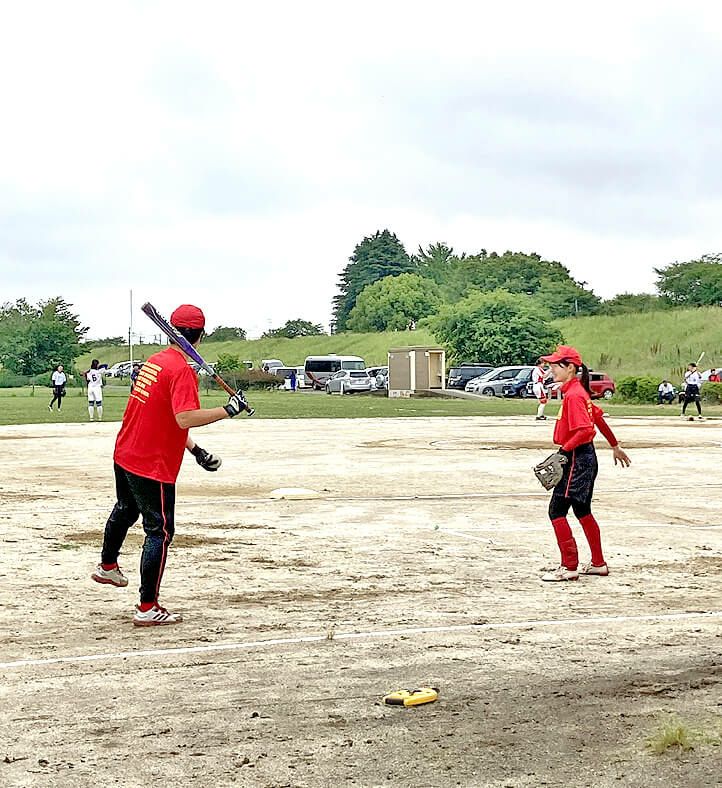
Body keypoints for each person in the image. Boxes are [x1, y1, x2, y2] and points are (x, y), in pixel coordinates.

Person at [91, 304, 249, 626]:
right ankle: (147, 607)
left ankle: (107, 566)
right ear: (201, 336)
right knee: (159, 531)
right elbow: (184, 418)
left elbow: (162, 418)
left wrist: (195, 450)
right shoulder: (181, 370)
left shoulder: (155, 362)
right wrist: (227, 410)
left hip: (126, 453)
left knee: (126, 507)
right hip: (151, 463)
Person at [538, 345, 631, 582]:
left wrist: (563, 452)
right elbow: (598, 418)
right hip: (584, 457)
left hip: (577, 458)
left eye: (555, 365)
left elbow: (585, 430)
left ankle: (569, 567)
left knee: (556, 510)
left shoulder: (574, 395)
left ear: (569, 368)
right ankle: (598, 564)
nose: (550, 368)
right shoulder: (578, 392)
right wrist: (614, 445)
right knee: (582, 510)